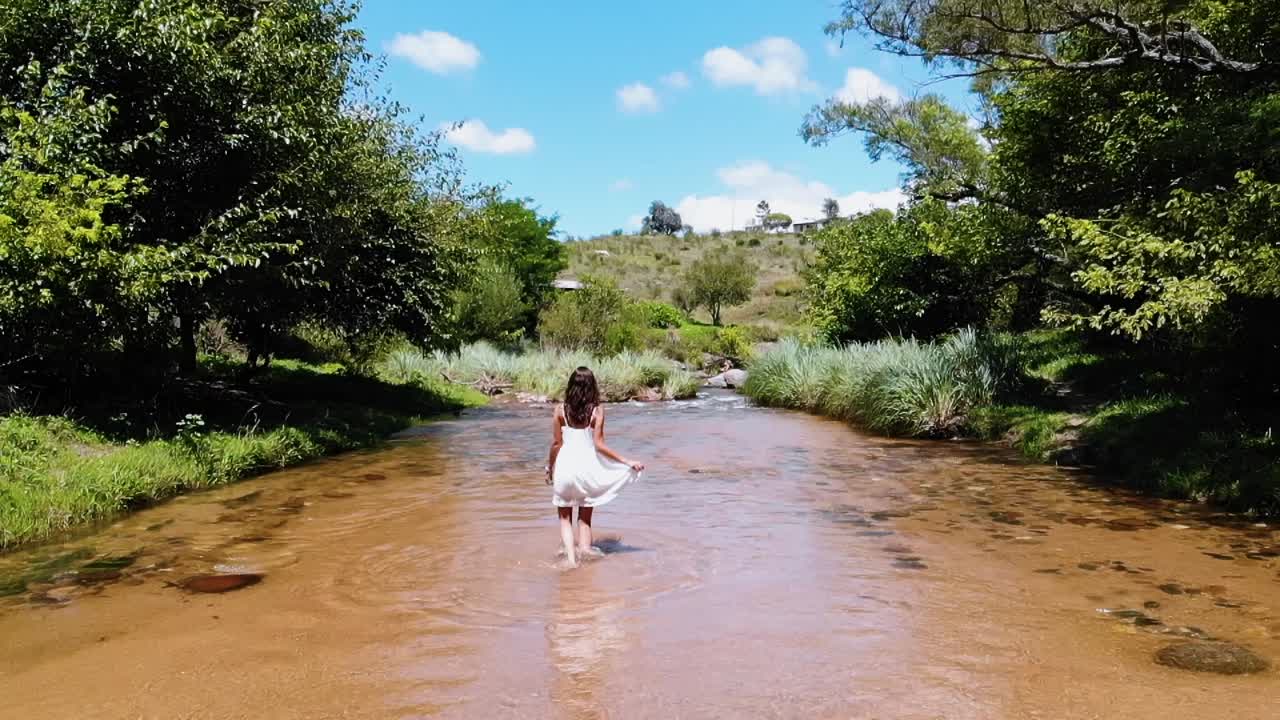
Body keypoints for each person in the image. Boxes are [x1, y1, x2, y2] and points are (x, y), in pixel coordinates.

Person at [545, 367, 644, 567]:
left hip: (565, 467)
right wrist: (626, 461)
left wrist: (550, 467)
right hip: (587, 469)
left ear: (571, 385)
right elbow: (599, 445)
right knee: (585, 518)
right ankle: (586, 551)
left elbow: (556, 444)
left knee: (564, 518)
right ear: (592, 387)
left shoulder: (559, 410)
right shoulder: (597, 411)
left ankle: (571, 560)